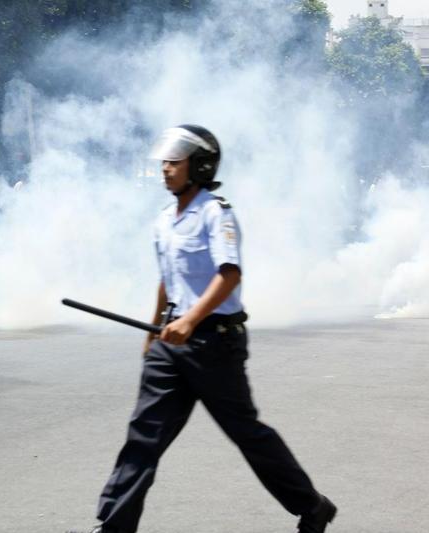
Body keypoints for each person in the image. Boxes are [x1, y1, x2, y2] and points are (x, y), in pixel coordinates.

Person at [68, 125, 336, 533]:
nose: (165, 167)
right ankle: (113, 526)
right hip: (171, 343)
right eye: (165, 159)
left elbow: (228, 274)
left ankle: (312, 507)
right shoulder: (164, 220)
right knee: (144, 435)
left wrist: (191, 321)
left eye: (175, 160)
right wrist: (155, 330)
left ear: (201, 165)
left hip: (214, 342)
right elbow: (167, 278)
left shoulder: (216, 212)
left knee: (247, 433)